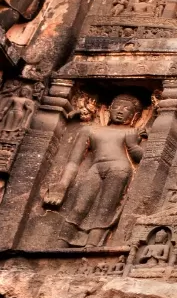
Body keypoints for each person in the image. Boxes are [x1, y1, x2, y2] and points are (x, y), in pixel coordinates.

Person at [45, 93, 146, 247]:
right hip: (96, 168)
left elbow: (139, 157)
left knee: (105, 208)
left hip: (119, 169)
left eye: (127, 109)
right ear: (108, 110)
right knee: (79, 206)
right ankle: (60, 244)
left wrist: (135, 144)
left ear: (134, 116)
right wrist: (62, 185)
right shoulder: (91, 130)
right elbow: (74, 161)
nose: (120, 111)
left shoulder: (129, 132)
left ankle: (91, 246)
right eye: (117, 106)